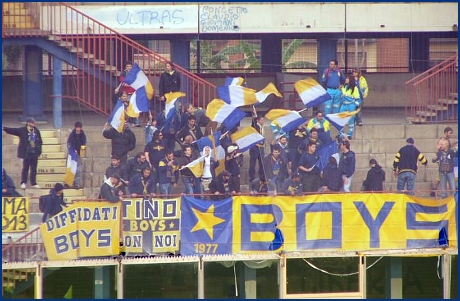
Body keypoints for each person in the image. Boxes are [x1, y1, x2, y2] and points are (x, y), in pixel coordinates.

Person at [3, 118, 43, 189]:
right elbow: (13, 130)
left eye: (34, 123)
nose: (33, 124)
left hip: (34, 152)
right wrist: (4, 128)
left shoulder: (36, 131)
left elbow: (40, 141)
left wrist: (38, 150)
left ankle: (33, 183)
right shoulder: (22, 130)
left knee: (34, 168)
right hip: (26, 152)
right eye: (32, 122)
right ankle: (23, 182)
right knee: (25, 168)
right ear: (28, 123)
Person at [114, 62, 140, 127]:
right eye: (127, 66)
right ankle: (127, 122)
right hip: (125, 93)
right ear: (125, 67)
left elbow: (136, 82)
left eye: (130, 66)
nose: (129, 68)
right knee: (126, 108)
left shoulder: (135, 74)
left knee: (134, 108)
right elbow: (122, 81)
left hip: (133, 93)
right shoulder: (123, 73)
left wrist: (128, 84)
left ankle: (136, 122)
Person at [339, 75, 361, 140]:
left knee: (351, 120)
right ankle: (341, 133)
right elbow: (341, 95)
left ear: (350, 80)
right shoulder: (343, 87)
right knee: (341, 118)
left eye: (347, 79)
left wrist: (355, 105)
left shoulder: (355, 88)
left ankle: (349, 134)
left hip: (351, 105)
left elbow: (357, 99)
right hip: (343, 105)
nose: (346, 80)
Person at [66, 121, 87, 188]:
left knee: (78, 169)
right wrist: (72, 150)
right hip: (72, 154)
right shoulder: (72, 135)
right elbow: (69, 143)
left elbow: (84, 143)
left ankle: (76, 183)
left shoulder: (83, 135)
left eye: (79, 128)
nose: (78, 129)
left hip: (78, 154)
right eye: (77, 128)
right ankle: (68, 183)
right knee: (70, 168)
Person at [249, 107, 265, 182]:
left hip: (261, 147)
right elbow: (254, 121)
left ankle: (262, 177)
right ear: (258, 120)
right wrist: (255, 113)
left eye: (263, 120)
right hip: (255, 147)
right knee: (253, 164)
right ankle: (252, 177)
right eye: (261, 120)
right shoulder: (255, 126)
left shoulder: (262, 127)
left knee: (262, 163)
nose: (263, 121)